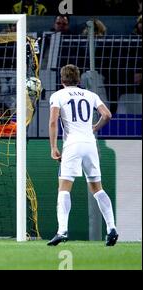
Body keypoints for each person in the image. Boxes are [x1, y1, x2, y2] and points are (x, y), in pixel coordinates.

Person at [47, 64, 118, 247]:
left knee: (64, 188)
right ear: (79, 80)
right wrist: (95, 128)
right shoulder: (91, 95)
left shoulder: (58, 96)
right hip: (90, 144)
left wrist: (54, 146)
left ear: (61, 80)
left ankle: (62, 230)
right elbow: (107, 114)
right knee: (97, 188)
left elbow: (53, 121)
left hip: (72, 144)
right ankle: (111, 228)